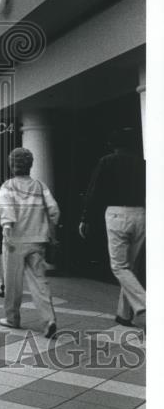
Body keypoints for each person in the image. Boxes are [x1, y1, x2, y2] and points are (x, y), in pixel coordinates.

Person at [80, 129, 146, 328]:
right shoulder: (143, 164)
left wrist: (86, 218)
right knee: (130, 267)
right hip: (141, 213)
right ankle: (124, 314)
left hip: (117, 214)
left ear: (112, 144)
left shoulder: (107, 161)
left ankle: (145, 302)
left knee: (119, 266)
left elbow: (95, 191)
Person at [0, 147, 60, 338]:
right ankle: (49, 320)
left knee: (12, 282)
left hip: (14, 240)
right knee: (40, 282)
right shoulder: (40, 186)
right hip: (37, 240)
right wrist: (50, 229)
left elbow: (6, 208)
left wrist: (7, 228)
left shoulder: (8, 186)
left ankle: (12, 318)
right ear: (30, 165)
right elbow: (54, 210)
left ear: (12, 165)